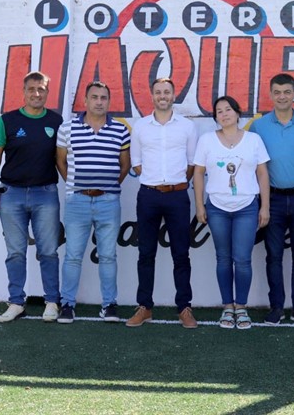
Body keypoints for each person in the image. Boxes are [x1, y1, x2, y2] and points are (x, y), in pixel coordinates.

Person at [0, 71, 62, 323]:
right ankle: (16, 302)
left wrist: (74, 187)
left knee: (48, 251)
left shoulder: (56, 121)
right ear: (23, 91)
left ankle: (52, 302)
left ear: (47, 92)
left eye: (41, 89)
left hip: (46, 194)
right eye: (31, 89)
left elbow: (62, 160)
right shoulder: (8, 121)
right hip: (12, 195)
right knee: (16, 252)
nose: (36, 94)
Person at [126, 77, 199, 329]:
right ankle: (145, 307)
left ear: (174, 95)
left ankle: (184, 308)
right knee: (146, 253)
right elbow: (136, 162)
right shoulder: (141, 126)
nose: (162, 96)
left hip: (178, 196)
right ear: (152, 95)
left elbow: (192, 163)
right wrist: (154, 182)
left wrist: (175, 183)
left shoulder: (187, 127)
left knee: (181, 254)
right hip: (148, 195)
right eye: (158, 92)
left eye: (167, 92)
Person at [55, 81, 130, 324]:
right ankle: (67, 304)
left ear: (109, 101)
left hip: (108, 201)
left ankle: (109, 305)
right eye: (94, 97)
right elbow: (60, 162)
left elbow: (125, 165)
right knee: (73, 256)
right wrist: (77, 186)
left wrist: (106, 187)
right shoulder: (67, 128)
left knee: (108, 256)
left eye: (103, 97)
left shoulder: (120, 130)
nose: (99, 102)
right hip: (77, 200)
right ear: (85, 101)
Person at [249, 73, 294, 326]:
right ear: (270, 94)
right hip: (273, 199)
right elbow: (253, 161)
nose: (282, 97)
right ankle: (276, 308)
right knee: (273, 256)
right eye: (277, 92)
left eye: (287, 92)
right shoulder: (259, 126)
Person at [194, 96, 271, 329]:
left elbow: (262, 174)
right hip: (217, 207)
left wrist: (265, 206)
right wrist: (200, 205)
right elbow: (198, 174)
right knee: (223, 258)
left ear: (238, 113)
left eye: (228, 109)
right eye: (219, 111)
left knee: (243, 259)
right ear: (215, 117)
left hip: (246, 207)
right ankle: (228, 307)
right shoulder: (207, 140)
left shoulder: (253, 140)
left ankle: (242, 307)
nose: (224, 114)